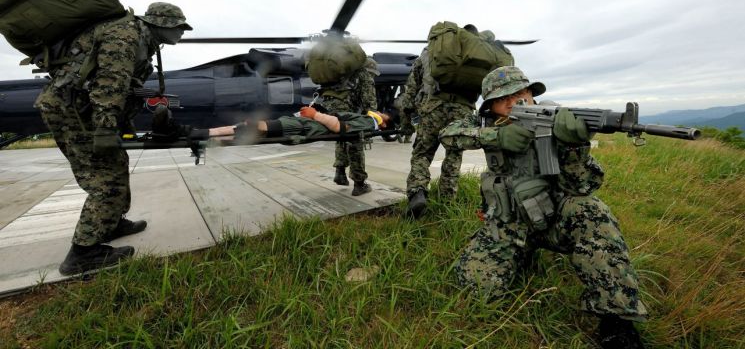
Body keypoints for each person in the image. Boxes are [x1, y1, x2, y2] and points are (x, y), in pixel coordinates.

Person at [439, 66, 647, 349]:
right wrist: (495, 137)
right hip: (508, 223)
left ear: (531, 93)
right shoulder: (486, 123)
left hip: (553, 219)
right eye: (504, 99)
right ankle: (520, 255)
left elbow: (582, 186)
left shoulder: (557, 120)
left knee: (591, 210)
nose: (515, 103)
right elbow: (449, 134)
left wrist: (575, 148)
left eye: (521, 94)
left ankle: (617, 319)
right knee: (474, 288)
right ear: (491, 106)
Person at [35, 2, 193, 275]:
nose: (181, 33)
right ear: (161, 23)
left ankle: (110, 223)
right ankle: (83, 254)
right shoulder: (125, 35)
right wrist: (105, 131)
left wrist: (123, 127)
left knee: (117, 162)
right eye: (179, 27)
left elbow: (125, 88)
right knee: (104, 179)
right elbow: (110, 85)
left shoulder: (144, 41)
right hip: (72, 112)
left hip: (83, 110)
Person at [403, 27, 480, 218]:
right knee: (454, 156)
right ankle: (448, 203)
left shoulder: (431, 52)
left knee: (422, 152)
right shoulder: (473, 54)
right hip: (462, 111)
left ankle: (418, 192)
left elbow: (412, 87)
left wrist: (407, 111)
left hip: (432, 107)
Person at [317, 58, 378, 196]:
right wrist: (372, 120)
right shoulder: (364, 74)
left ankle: (340, 173)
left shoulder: (345, 75)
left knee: (342, 136)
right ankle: (359, 184)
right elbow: (370, 101)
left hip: (329, 109)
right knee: (356, 141)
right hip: (346, 111)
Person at [198, 106, 391, 141]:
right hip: (304, 123)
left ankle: (204, 133)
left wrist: (316, 115)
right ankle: (205, 133)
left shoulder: (369, 122)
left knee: (253, 126)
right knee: (250, 130)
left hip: (305, 127)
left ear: (383, 125)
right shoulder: (368, 119)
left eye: (385, 115)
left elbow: (343, 128)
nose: (382, 112)